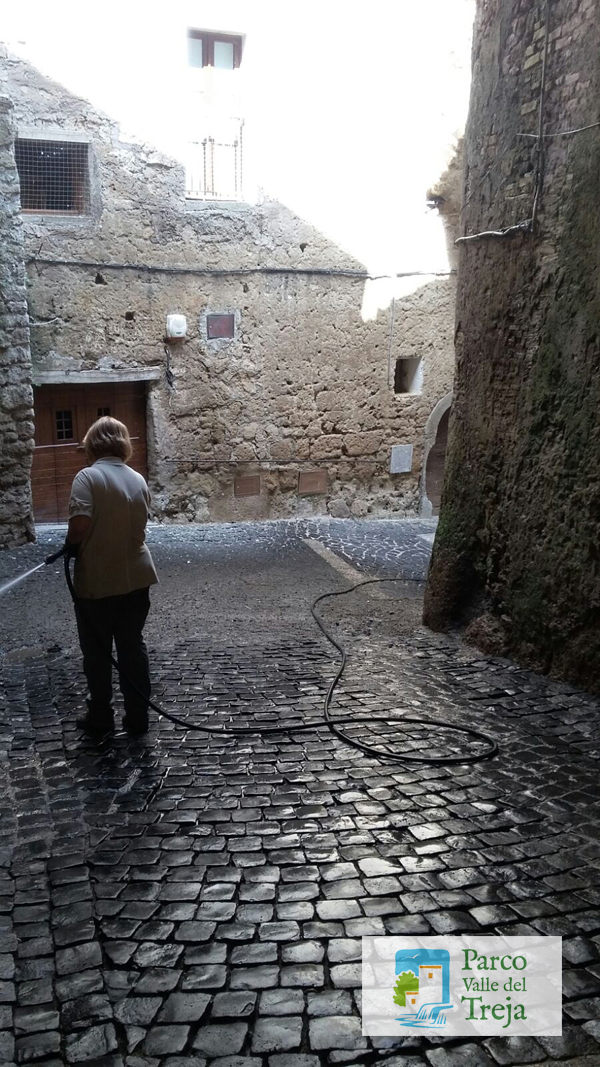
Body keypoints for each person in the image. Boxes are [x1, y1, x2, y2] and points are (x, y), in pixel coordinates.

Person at [65, 416, 158, 735]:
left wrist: (70, 545)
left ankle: (100, 715)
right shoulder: (137, 478)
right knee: (132, 647)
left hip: (99, 581)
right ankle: (138, 716)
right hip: (137, 577)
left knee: (97, 652)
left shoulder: (87, 477)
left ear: (91, 445)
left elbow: (80, 523)